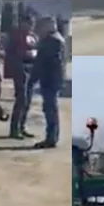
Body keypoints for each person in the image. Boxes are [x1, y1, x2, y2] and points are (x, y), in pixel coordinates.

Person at [32, 16, 65, 149]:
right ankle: (52, 137)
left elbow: (43, 61)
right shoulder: (56, 38)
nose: (39, 30)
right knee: (50, 108)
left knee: (50, 109)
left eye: (42, 26)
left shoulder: (52, 41)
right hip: (53, 78)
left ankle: (51, 138)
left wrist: (33, 78)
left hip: (50, 79)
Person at [6, 15, 38, 139]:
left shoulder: (33, 36)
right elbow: (11, 54)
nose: (31, 25)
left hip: (30, 69)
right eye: (29, 23)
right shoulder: (16, 36)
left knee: (28, 100)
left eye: (32, 23)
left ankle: (22, 127)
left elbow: (35, 48)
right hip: (20, 70)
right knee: (21, 100)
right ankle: (14, 129)